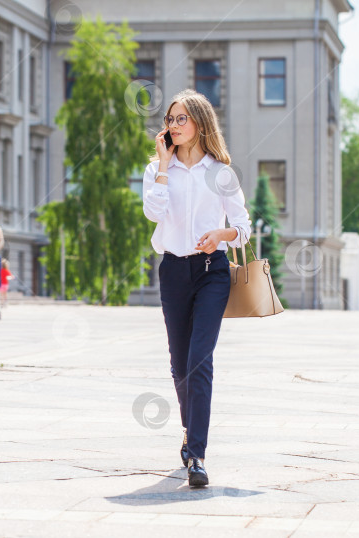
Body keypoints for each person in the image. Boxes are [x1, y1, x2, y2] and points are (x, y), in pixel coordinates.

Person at [142, 89, 251, 487]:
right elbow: (152, 212)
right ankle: (190, 435)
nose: (173, 125)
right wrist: (164, 168)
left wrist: (221, 232)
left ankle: (198, 455)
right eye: (170, 119)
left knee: (199, 361)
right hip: (172, 271)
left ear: (200, 123)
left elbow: (244, 228)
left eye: (181, 119)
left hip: (212, 272)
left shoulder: (220, 172)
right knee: (178, 363)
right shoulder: (155, 169)